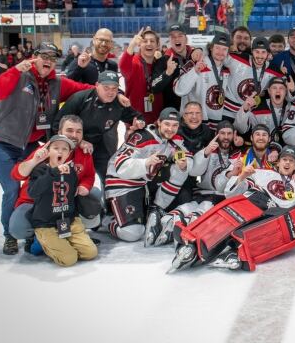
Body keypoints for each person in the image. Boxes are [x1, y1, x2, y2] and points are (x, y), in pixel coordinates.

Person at [0, 43, 92, 255]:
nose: (49, 61)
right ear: (34, 57)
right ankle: (10, 235)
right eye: (44, 56)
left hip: (30, 143)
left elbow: (85, 89)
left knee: (48, 178)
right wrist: (15, 70)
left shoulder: (56, 83)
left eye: (53, 58)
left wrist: (113, 91)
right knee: (12, 188)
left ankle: (41, 224)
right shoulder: (19, 75)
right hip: (1, 142)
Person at [10, 115, 100, 252]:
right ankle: (40, 236)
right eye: (69, 130)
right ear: (59, 132)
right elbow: (16, 175)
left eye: (78, 131)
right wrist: (34, 161)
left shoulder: (83, 152)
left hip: (64, 203)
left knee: (94, 193)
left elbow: (88, 175)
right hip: (35, 202)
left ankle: (70, 235)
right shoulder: (45, 151)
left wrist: (84, 187)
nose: (74, 135)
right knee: (18, 228)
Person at [104, 107, 193, 244]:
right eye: (167, 124)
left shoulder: (174, 140)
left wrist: (184, 163)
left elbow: (185, 156)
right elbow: (121, 166)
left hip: (142, 184)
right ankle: (106, 220)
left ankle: (156, 208)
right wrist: (146, 162)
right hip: (121, 183)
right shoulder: (142, 136)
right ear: (159, 122)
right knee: (132, 233)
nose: (170, 129)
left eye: (174, 125)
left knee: (181, 170)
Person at [53, 70, 143, 183]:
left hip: (101, 144)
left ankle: (109, 199)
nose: (110, 92)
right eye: (106, 88)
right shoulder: (80, 99)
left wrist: (138, 124)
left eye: (114, 88)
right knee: (74, 181)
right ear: (97, 86)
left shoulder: (119, 102)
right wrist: (79, 142)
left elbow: (136, 117)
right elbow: (57, 126)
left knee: (110, 177)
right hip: (75, 145)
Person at [27, 135, 98, 267]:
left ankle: (64, 240)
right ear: (48, 151)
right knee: (69, 259)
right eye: (56, 148)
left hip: (68, 221)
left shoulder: (70, 171)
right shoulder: (40, 170)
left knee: (90, 253)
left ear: (69, 153)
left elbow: (71, 198)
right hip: (46, 224)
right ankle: (41, 241)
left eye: (64, 149)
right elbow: (33, 192)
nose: (60, 151)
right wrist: (53, 172)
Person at [174, 31, 231, 128]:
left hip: (214, 126)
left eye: (224, 49)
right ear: (211, 47)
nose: (220, 52)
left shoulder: (226, 69)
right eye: (217, 48)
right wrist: (195, 71)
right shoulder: (195, 63)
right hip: (193, 124)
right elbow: (179, 90)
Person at [119, 27, 163, 122]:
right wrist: (131, 45)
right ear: (139, 44)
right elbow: (123, 67)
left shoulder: (160, 64)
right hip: (136, 121)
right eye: (145, 41)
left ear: (157, 45)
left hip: (157, 121)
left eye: (152, 41)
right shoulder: (134, 62)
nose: (148, 44)